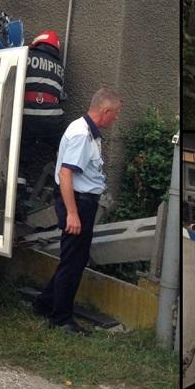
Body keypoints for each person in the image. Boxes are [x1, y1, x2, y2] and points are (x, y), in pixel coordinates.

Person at [32, 87, 122, 336]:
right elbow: (65, 174)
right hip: (78, 204)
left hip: (82, 202)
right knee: (73, 262)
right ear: (105, 111)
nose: (115, 119)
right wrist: (72, 213)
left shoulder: (89, 133)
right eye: (115, 114)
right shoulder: (82, 134)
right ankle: (61, 319)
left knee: (75, 259)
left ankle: (43, 303)